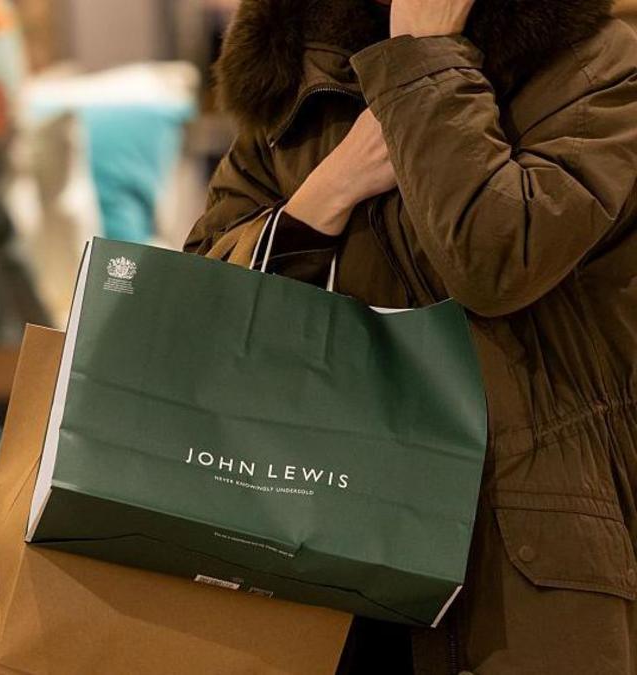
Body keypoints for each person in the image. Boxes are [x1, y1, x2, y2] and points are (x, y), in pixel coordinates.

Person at [187, 0, 637, 673]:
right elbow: (198, 304)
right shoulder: (296, 63)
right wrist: (327, 192)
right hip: (311, 537)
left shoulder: (596, 63)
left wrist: (421, 61)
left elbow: (497, 258)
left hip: (517, 556)